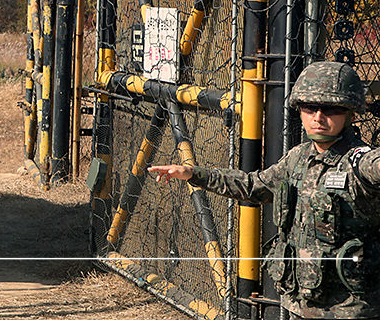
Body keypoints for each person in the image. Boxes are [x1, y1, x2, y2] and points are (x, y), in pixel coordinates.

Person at [148, 61, 380, 319]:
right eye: (309, 107)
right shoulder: (298, 158)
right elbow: (252, 186)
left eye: (331, 109)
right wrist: (193, 174)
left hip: (349, 310)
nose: (318, 117)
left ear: (350, 113)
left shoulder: (359, 161)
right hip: (299, 303)